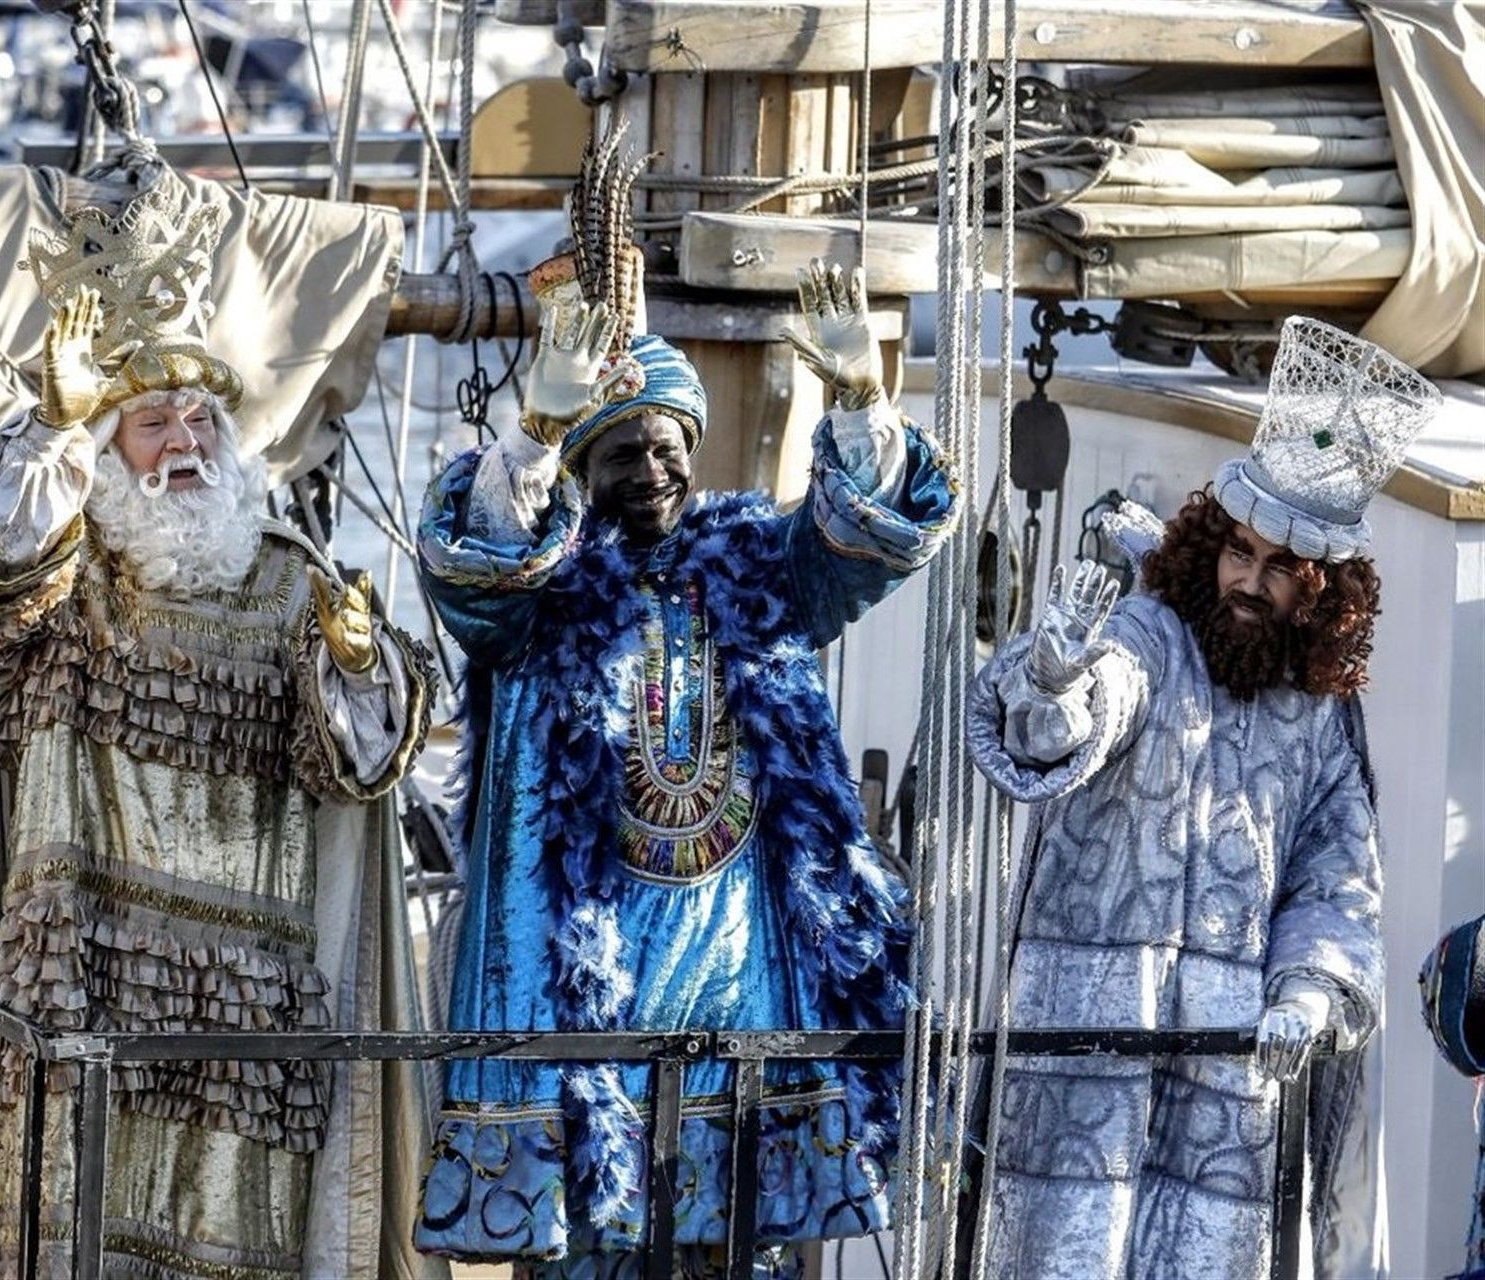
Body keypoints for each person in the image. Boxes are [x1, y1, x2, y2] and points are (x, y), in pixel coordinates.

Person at [0, 179, 437, 1279]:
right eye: (154, 420)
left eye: (204, 418)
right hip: (82, 975)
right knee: (69, 1232)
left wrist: (355, 660)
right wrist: (51, 424)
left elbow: (364, 764)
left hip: (245, 1008)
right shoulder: (66, 578)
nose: (187, 439)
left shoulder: (297, 585)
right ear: (109, 450)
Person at [411, 257, 958, 1275]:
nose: (652, 471)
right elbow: (473, 569)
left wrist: (860, 401)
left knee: (748, 1246)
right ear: (581, 475)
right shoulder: (540, 598)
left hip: (743, 992)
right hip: (594, 1000)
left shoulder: (759, 562)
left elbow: (869, 544)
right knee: (598, 1253)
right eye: (620, 454)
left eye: (666, 447)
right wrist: (534, 435)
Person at [965, 317, 1439, 1279]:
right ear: (1210, 543)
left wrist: (1306, 993)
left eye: (1279, 570)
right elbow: (1068, 727)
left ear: (1324, 595)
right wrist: (1056, 673)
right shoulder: (1150, 635)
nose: (1249, 584)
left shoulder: (1320, 721)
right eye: (1239, 553)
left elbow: (1338, 883)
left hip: (1229, 1081)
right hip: (1083, 1057)